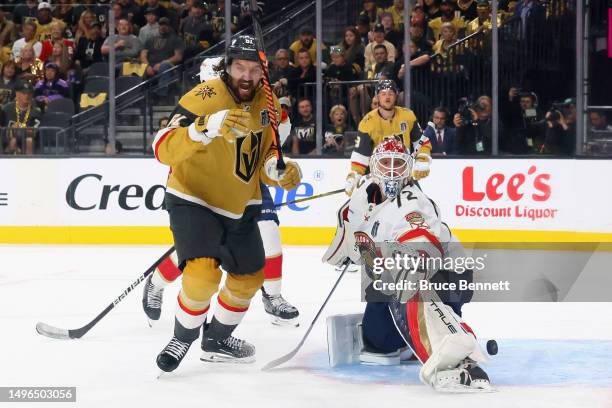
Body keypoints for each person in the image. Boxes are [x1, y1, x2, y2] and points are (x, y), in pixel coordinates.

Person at [150, 35, 301, 372]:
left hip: (240, 205)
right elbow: (161, 148)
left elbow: (264, 159)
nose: (246, 76)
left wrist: (280, 172)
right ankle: (183, 337)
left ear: (262, 72)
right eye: (239, 67)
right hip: (193, 198)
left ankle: (217, 338)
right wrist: (205, 127)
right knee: (202, 276)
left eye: (253, 69)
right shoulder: (203, 98)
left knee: (249, 277)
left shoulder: (270, 104)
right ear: (227, 67)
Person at [323, 138, 492, 392]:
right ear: (373, 167)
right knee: (378, 342)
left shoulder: (413, 202)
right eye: (386, 163)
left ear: (409, 168)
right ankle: (413, 335)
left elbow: (422, 246)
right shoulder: (362, 197)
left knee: (408, 282)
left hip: (447, 273)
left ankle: (459, 360)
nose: (392, 171)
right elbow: (348, 233)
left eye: (398, 164)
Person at [345, 79, 432, 197]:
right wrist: (354, 175)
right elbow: (361, 155)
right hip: (379, 176)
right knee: (368, 211)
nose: (387, 97)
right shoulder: (367, 122)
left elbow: (422, 142)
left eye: (391, 93)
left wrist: (423, 158)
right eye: (383, 94)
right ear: (377, 97)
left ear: (396, 96)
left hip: (403, 174)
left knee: (420, 205)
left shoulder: (408, 115)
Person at [0, 81, 42, 154]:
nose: (27, 96)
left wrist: (18, 134)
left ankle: (28, 164)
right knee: (12, 141)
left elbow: (33, 133)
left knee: (29, 140)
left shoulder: (36, 112)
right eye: (24, 93)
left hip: (26, 141)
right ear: (17, 94)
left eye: (29, 93)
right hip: (7, 140)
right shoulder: (6, 109)